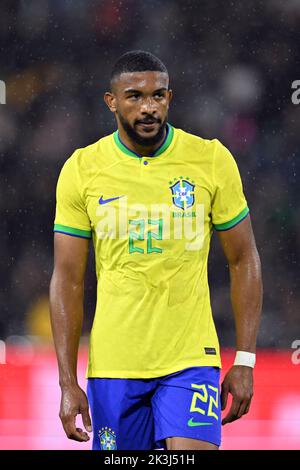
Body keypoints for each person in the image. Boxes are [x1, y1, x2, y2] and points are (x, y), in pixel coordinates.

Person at [49, 50, 263, 451]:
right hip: (114, 366)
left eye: (158, 96)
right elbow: (68, 279)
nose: (148, 108)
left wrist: (245, 359)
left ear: (169, 97)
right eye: (134, 97)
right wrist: (67, 382)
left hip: (190, 359)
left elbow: (243, 258)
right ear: (111, 102)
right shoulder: (82, 169)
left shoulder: (210, 160)